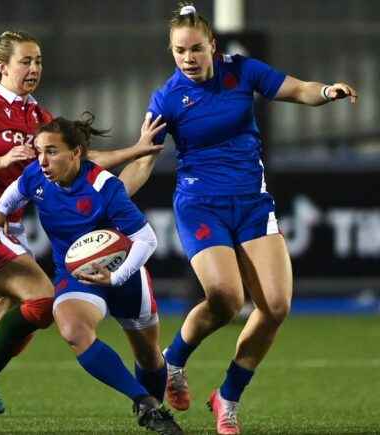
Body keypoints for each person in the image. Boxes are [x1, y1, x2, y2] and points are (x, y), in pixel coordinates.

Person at [0, 30, 165, 435]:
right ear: (2, 67)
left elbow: (82, 157)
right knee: (45, 300)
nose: (34, 69)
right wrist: (2, 160)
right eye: (25, 61)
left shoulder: (36, 115)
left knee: (12, 331)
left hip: (8, 227)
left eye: (39, 61)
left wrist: (138, 149)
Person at [147, 4, 358, 434]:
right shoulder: (167, 97)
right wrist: (112, 195)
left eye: (195, 49)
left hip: (251, 204)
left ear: (213, 46)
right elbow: (144, 157)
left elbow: (298, 88)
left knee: (276, 306)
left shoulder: (242, 71)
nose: (188, 58)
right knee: (224, 298)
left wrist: (326, 91)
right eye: (179, 51)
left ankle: (227, 396)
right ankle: (173, 363)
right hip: (200, 204)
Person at [0, 113, 182, 435]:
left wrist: (116, 277)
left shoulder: (105, 187)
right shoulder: (36, 175)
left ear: (76, 153)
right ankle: (145, 403)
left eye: (52, 151)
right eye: (38, 151)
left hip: (124, 275)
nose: (42, 160)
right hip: (76, 275)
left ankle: (156, 405)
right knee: (73, 330)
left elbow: (147, 238)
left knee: (149, 357)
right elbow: (14, 192)